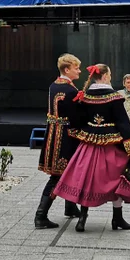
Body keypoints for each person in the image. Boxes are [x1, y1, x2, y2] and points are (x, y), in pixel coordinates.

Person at [54, 64, 130, 233]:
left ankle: (83, 218)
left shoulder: (85, 95)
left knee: (87, 179)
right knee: (117, 178)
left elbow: (77, 118)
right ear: (106, 76)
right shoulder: (114, 97)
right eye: (110, 74)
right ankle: (117, 217)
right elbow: (122, 122)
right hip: (111, 145)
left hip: (89, 143)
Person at [35, 54, 83, 228]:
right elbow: (76, 116)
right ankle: (40, 216)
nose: (79, 71)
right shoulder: (71, 91)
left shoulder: (54, 85)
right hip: (65, 137)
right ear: (67, 69)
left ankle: (70, 207)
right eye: (76, 68)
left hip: (54, 134)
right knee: (57, 176)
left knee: (66, 172)